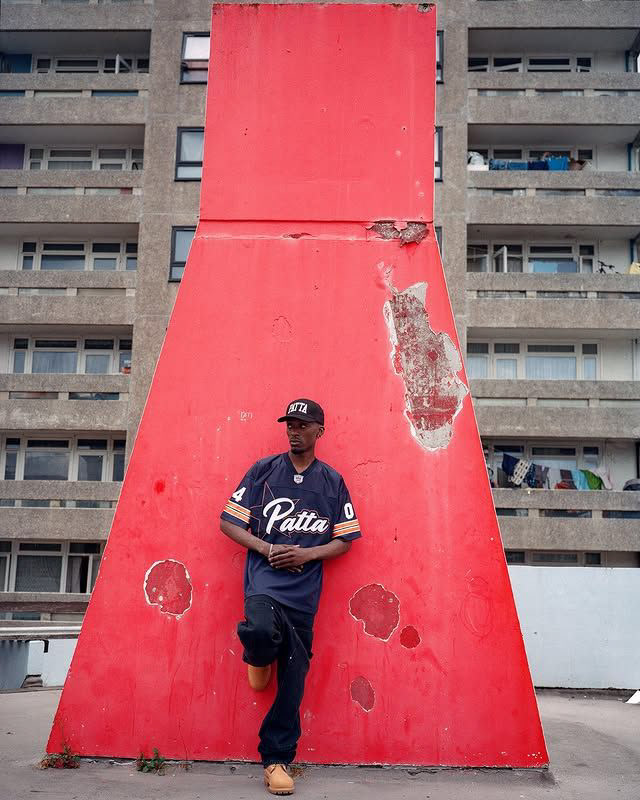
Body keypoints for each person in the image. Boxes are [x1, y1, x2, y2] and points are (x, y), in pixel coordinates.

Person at [220, 398, 361, 795]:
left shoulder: (332, 482)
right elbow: (228, 523)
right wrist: (266, 548)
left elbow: (345, 540)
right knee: (258, 630)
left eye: (302, 425)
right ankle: (259, 657)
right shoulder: (263, 471)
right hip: (264, 583)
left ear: (320, 431)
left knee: (293, 683)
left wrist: (308, 554)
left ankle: (276, 760)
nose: (294, 431)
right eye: (290, 425)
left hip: (303, 596)